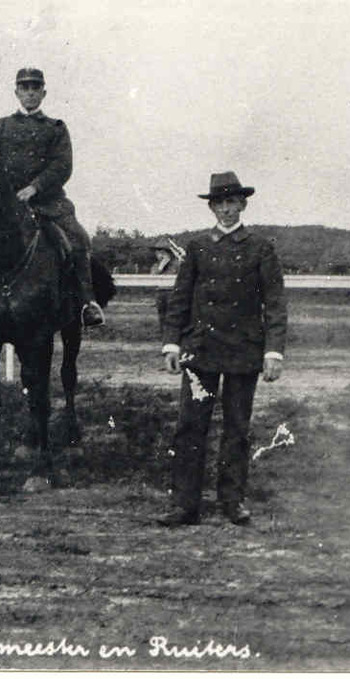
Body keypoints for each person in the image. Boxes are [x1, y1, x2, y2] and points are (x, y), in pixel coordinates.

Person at [158, 172, 287, 527]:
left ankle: (232, 500)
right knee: (190, 426)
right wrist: (172, 343)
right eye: (219, 203)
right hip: (201, 351)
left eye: (232, 202)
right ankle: (184, 505)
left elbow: (276, 304)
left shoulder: (261, 248)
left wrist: (273, 352)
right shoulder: (197, 248)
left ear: (243, 204)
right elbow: (180, 299)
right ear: (211, 208)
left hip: (244, 352)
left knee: (237, 428)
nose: (226, 209)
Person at [0, 67, 105, 329]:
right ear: (17, 92)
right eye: (25, 88)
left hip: (48, 202)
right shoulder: (1, 125)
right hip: (6, 205)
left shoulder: (56, 128)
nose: (30, 93)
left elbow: (62, 166)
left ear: (43, 93)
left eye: (35, 88)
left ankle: (88, 303)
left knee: (79, 238)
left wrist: (35, 187)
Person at [149, 236, 182, 328]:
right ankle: (163, 333)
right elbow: (152, 278)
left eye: (163, 252)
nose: (159, 255)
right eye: (158, 252)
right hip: (160, 293)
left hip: (173, 292)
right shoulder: (156, 266)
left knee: (173, 316)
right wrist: (161, 266)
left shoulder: (177, 264)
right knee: (162, 316)